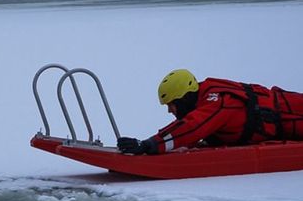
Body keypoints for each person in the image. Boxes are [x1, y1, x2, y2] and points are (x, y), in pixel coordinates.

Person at [117, 69, 303, 155]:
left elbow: (193, 126)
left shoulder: (217, 101)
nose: (170, 111)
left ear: (185, 98)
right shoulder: (207, 98)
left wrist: (149, 144)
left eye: (172, 104)